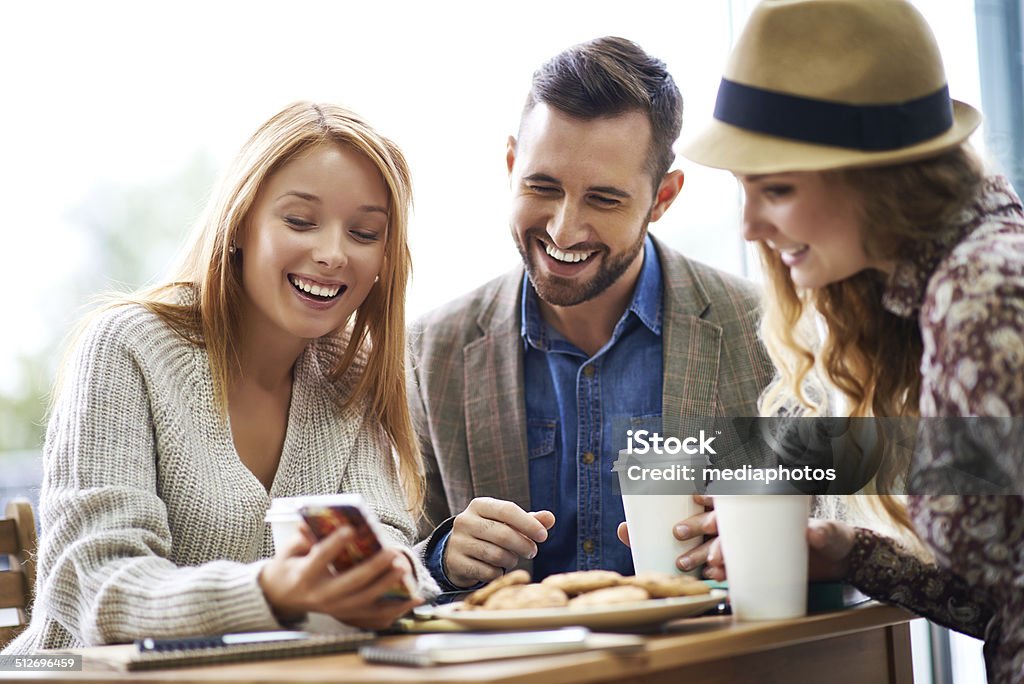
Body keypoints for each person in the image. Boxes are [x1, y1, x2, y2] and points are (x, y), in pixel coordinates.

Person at [3, 102, 438, 654]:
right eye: (299, 221)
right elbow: (97, 587)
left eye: (364, 232)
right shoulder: (127, 349)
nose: (332, 254)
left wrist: (399, 570)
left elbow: (388, 548)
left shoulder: (351, 374)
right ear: (240, 223)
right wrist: (268, 592)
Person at [682, 1, 1024, 681]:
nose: (749, 225)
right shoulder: (955, 280)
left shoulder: (979, 293)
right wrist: (851, 553)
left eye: (775, 189)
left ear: (882, 180)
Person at [410, 36, 774, 589]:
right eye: (541, 186)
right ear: (511, 164)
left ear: (663, 198)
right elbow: (390, 552)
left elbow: (839, 521)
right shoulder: (429, 351)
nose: (563, 229)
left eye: (604, 199)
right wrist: (440, 556)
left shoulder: (763, 333)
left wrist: (759, 535)